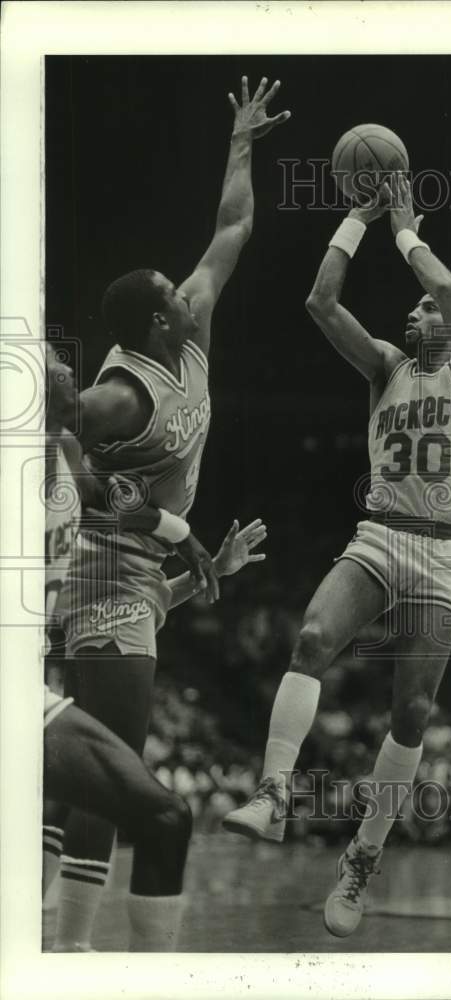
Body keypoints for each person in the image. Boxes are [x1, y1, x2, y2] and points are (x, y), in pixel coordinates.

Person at [45, 73, 289, 952]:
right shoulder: (117, 394)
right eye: (173, 294)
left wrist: (240, 141)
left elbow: (232, 229)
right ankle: (67, 952)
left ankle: (55, 931)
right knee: (115, 772)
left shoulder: (189, 333)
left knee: (103, 770)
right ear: (153, 323)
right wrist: (92, 489)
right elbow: (47, 418)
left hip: (150, 566)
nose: (191, 292)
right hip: (107, 566)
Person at [223, 173, 451, 937]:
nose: (413, 312)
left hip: (446, 556)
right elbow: (317, 304)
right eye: (412, 307)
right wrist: (355, 218)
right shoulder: (385, 367)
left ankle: (360, 861)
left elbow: (447, 291)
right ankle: (274, 793)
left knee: (409, 712)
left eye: (421, 307)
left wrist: (410, 236)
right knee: (310, 638)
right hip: (381, 533)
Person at [42, 345, 267, 950]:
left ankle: (51, 942)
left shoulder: (69, 458)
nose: (73, 370)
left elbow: (123, 518)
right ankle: (68, 945)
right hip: (59, 642)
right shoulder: (35, 457)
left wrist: (202, 559)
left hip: (42, 661)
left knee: (75, 798)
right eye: (57, 363)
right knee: (126, 798)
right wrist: (184, 537)